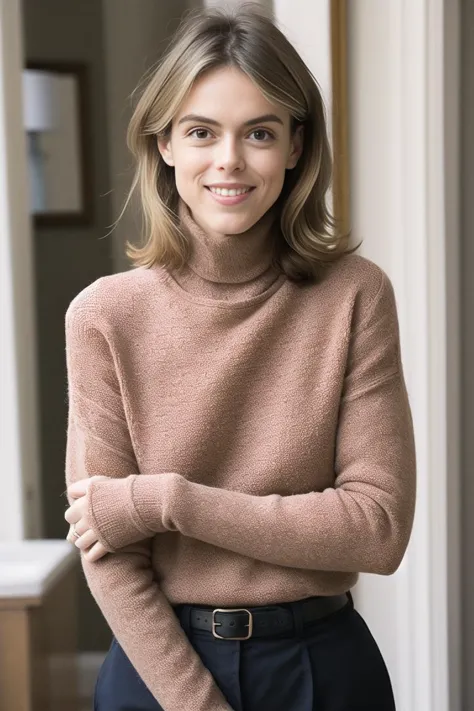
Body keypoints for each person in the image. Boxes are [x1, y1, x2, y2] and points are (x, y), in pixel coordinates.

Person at [63, 5, 416, 710]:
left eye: (259, 132)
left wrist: (168, 501)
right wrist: (197, 703)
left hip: (321, 669)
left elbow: (376, 529)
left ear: (294, 148)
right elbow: (109, 552)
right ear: (164, 144)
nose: (229, 160)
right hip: (157, 670)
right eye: (201, 132)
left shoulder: (355, 296)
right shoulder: (102, 315)